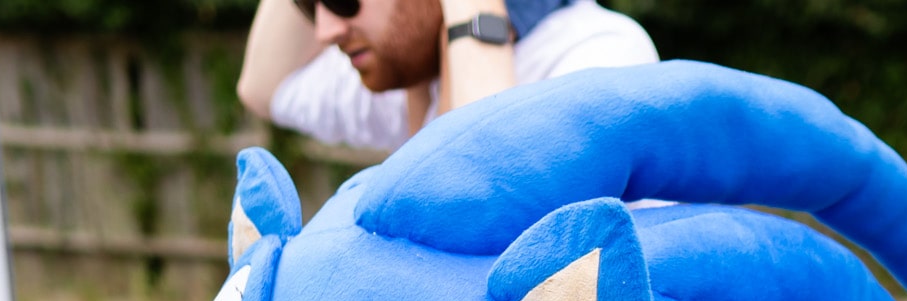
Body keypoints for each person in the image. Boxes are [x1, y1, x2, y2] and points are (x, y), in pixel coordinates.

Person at [237, 0, 657, 155]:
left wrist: (474, 22)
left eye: (341, 0)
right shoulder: (411, 69)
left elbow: (473, 206)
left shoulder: (600, 56)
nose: (324, 31)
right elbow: (263, 86)